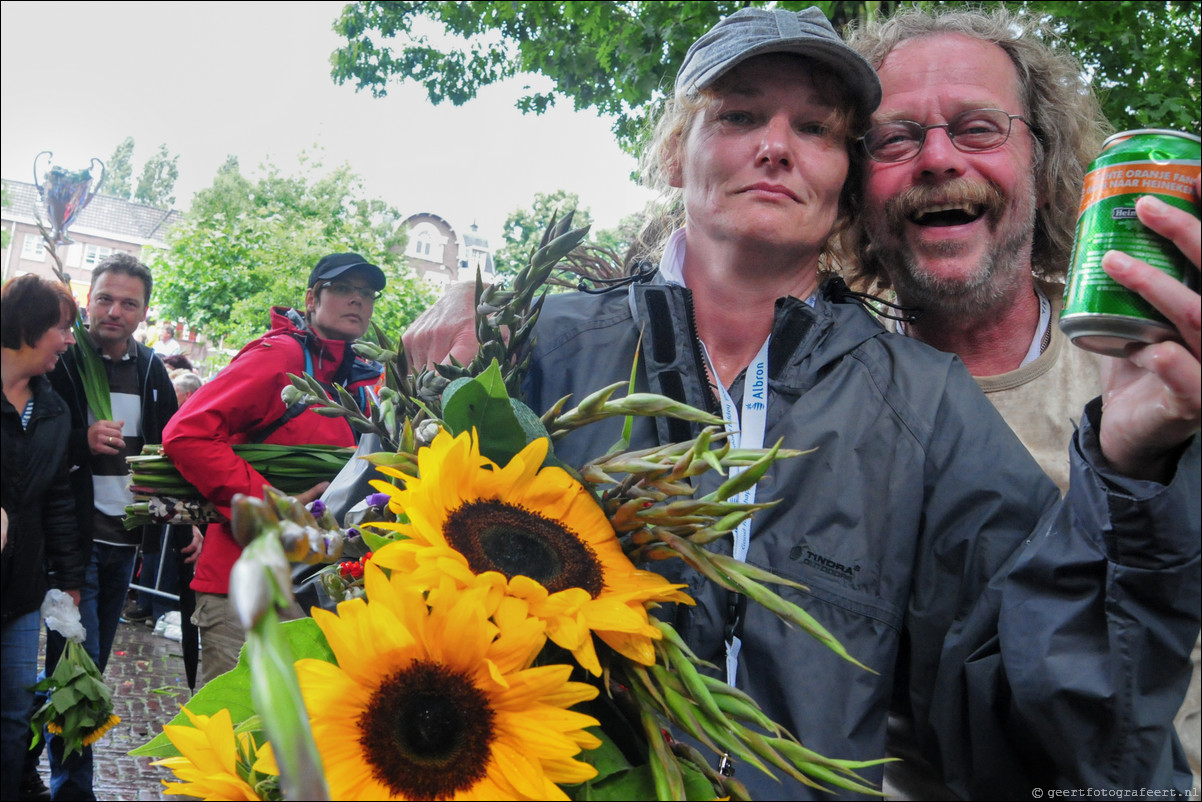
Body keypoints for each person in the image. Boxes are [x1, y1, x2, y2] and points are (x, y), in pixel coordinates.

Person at [406, 7, 1200, 798]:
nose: (776, 146)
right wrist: (437, 388)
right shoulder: (538, 345)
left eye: (817, 129)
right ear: (678, 152)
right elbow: (386, 575)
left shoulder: (926, 404)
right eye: (740, 114)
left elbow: (1032, 709)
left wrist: (1134, 468)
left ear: (845, 184)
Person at [844, 8, 1201, 794]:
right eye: (896, 138)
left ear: (1042, 161)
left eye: (978, 128)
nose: (938, 159)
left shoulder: (1168, 362)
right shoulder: (828, 400)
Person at [162, 253, 385, 685]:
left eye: (366, 293)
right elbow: (186, 433)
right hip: (245, 583)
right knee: (229, 740)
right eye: (342, 289)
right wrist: (270, 505)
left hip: (317, 591)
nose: (356, 300)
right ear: (311, 299)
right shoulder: (280, 357)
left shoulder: (368, 381)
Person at [35, 252, 182, 800]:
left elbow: (172, 451)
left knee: (77, 668)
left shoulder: (151, 371)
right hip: (73, 543)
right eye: (105, 298)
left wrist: (184, 521)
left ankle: (19, 754)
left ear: (144, 312)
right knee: (80, 674)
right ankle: (73, 789)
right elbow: (32, 446)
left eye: (128, 302)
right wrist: (80, 440)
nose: (114, 311)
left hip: (126, 542)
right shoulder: (62, 362)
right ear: (87, 299)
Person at [1, 276, 85, 802]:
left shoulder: (53, 409)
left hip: (21, 587)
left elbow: (56, 498)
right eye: (62, 328)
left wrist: (70, 576)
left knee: (14, 710)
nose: (70, 340)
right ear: (30, 328)